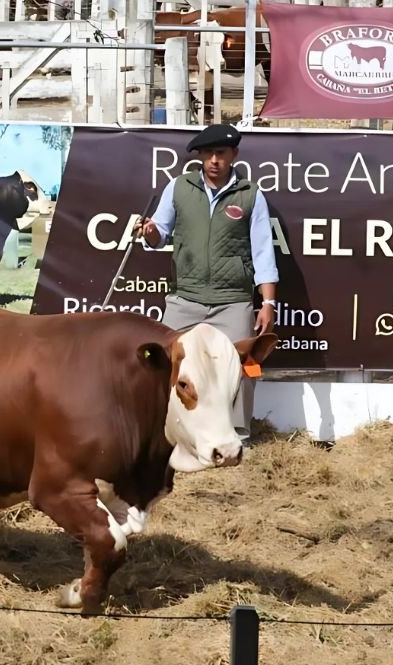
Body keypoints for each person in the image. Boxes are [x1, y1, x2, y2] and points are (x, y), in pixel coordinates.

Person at [139, 123, 279, 448]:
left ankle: (240, 437)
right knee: (164, 363)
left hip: (233, 301)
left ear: (234, 154)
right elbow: (159, 233)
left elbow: (263, 252)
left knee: (244, 365)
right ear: (200, 156)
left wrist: (268, 303)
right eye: (208, 154)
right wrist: (150, 232)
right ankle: (163, 433)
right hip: (184, 298)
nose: (214, 160)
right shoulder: (178, 188)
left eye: (221, 153)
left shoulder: (251, 195)